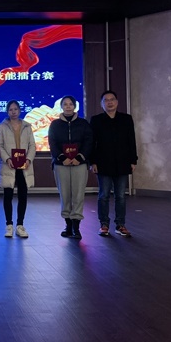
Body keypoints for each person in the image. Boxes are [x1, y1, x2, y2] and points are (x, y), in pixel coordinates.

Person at [90, 90, 138, 237]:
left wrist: (133, 160)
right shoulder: (96, 120)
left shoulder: (126, 119)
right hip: (103, 163)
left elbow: (131, 140)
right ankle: (104, 224)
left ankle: (120, 224)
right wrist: (93, 161)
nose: (109, 102)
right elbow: (92, 143)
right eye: (106, 100)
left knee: (121, 196)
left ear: (117, 102)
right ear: (102, 104)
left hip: (122, 162)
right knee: (103, 195)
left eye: (112, 99)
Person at [48, 95, 93, 240]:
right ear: (61, 107)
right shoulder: (55, 124)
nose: (68, 107)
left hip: (79, 164)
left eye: (70, 104)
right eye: (65, 104)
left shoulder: (83, 123)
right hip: (61, 164)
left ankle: (76, 227)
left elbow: (89, 141)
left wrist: (79, 157)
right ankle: (67, 225)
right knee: (65, 195)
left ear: (74, 106)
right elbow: (52, 143)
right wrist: (63, 158)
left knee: (78, 195)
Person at [0, 100, 36, 238]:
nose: (13, 112)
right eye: (10, 109)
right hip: (9, 165)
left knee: (23, 195)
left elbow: (32, 145)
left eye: (15, 109)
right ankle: (9, 225)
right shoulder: (2, 127)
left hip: (24, 166)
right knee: (7, 195)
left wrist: (28, 159)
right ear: (7, 112)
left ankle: (20, 225)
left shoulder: (27, 126)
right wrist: (7, 159)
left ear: (19, 110)